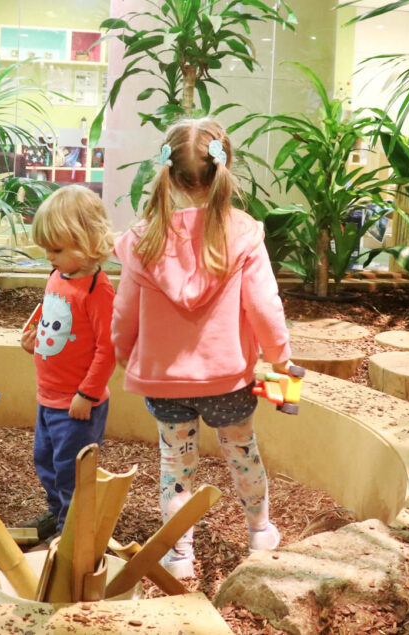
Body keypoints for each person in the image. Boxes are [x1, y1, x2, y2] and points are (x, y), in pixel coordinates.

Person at [111, 118, 291, 581]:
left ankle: (180, 555)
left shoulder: (142, 240)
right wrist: (280, 358)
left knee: (175, 464)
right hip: (229, 378)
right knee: (242, 452)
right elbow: (266, 307)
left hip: (165, 383)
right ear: (223, 170)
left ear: (167, 174)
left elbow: (124, 310)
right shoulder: (244, 234)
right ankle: (259, 531)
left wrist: (122, 351)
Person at [19, 184, 116, 542]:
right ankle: (59, 514)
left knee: (72, 470)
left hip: (77, 404)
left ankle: (72, 533)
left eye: (56, 249)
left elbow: (108, 349)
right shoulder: (57, 277)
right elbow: (51, 320)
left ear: (87, 242)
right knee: (46, 461)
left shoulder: (98, 290)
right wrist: (34, 342)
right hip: (48, 396)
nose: (49, 256)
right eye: (46, 248)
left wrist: (87, 394)